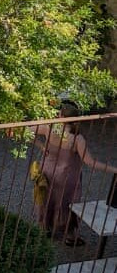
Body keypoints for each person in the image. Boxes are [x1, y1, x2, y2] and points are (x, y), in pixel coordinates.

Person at [33, 102, 117, 246]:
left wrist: (41, 146)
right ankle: (69, 236)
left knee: (46, 198)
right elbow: (90, 162)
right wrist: (114, 169)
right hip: (67, 177)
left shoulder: (49, 127)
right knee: (68, 204)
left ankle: (44, 229)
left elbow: (23, 131)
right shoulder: (77, 139)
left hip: (47, 171)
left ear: (60, 116)